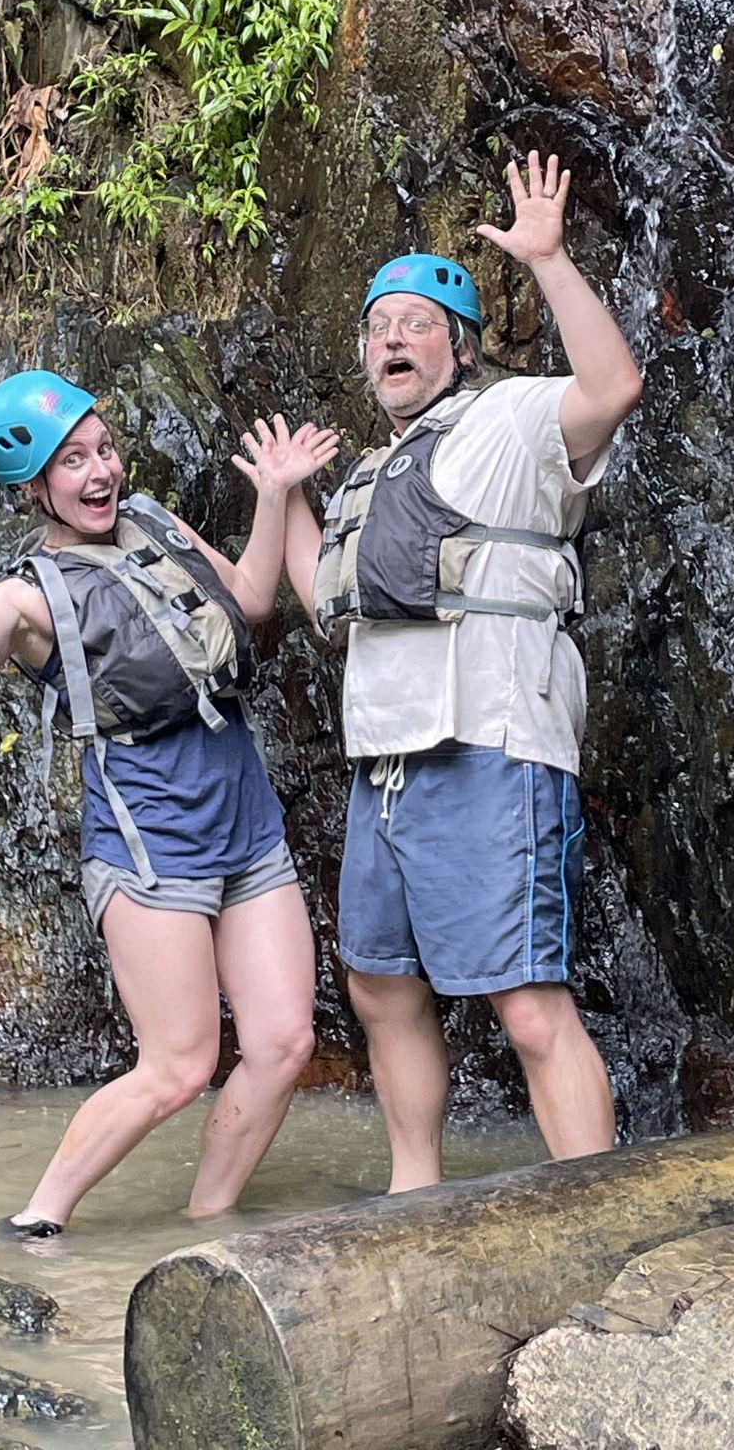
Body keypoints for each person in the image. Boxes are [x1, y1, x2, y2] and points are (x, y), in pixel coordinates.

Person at [0, 377, 338, 1235]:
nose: (101, 472)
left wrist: (276, 495)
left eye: (104, 450)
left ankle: (209, 1225)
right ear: (35, 486)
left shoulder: (157, 523)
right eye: (73, 461)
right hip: (150, 831)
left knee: (284, 1044)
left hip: (243, 813)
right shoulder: (31, 595)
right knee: (179, 1065)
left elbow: (249, 598)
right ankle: (38, 1220)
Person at [283, 150, 644, 1190]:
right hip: (387, 760)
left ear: (462, 346)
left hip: (492, 738)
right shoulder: (367, 472)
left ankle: (598, 1213)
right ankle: (417, 1198)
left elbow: (614, 386)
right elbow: (331, 604)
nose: (393, 337)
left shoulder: (511, 420)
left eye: (417, 323)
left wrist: (547, 260)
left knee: (527, 1005)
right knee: (380, 987)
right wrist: (285, 495)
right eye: (378, 326)